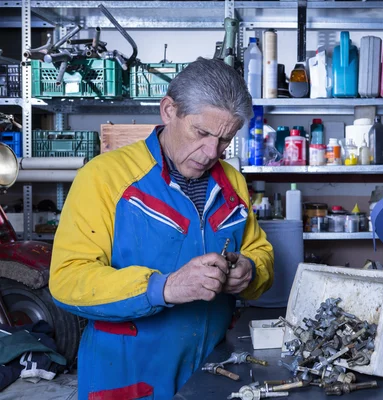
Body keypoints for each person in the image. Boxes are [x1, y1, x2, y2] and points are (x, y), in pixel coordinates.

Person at [49, 58, 274, 400]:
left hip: (213, 371)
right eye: (201, 133)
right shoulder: (105, 178)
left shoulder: (233, 183)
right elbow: (68, 280)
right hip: (127, 376)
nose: (212, 152)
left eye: (225, 139)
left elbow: (260, 251)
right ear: (169, 110)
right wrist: (164, 287)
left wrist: (250, 270)